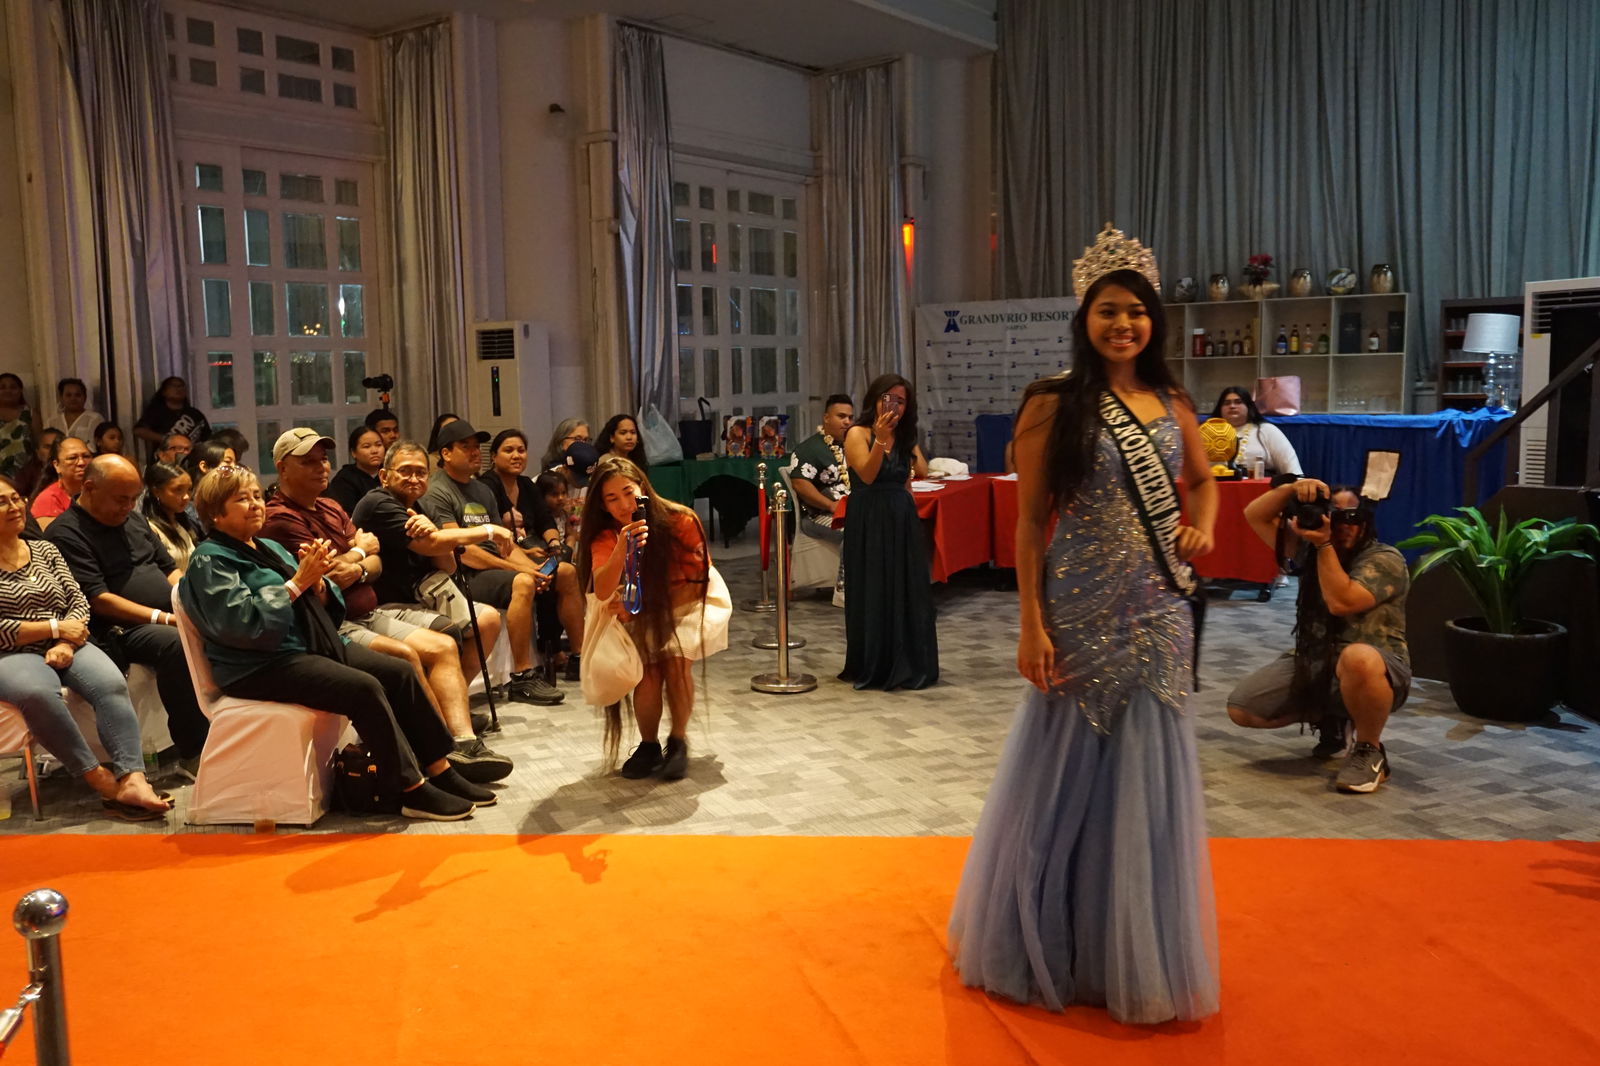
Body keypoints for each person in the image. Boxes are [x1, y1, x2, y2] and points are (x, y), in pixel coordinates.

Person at [948, 226, 1220, 1024]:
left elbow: (1202, 481)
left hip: (1159, 607)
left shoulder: (1173, 401)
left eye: (1136, 311)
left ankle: (1132, 950)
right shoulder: (1052, 402)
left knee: (1149, 777)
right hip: (1080, 604)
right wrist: (1029, 624)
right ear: (1085, 317)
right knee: (1064, 771)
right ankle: (1049, 937)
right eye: (1108, 311)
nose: (1123, 325)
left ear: (1153, 321)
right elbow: (1031, 523)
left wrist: (1200, 527)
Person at [179, 463, 491, 821]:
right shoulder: (209, 560)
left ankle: (440, 768)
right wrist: (298, 583)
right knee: (362, 687)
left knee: (399, 670)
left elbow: (320, 598)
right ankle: (408, 789)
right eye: (241, 499)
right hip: (257, 665)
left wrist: (318, 585)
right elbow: (243, 624)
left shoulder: (268, 546)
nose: (254, 504)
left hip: (306, 643)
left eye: (255, 496)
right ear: (215, 513)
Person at [262, 428, 512, 783]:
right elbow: (327, 576)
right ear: (282, 468)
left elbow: (375, 561)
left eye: (323, 459)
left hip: (369, 610)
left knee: (444, 644)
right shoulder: (281, 518)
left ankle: (462, 742)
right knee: (411, 655)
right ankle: (438, 748)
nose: (321, 467)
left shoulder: (331, 506)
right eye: (308, 462)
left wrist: (359, 563)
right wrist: (360, 552)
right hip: (334, 622)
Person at [0, 474, 172, 819]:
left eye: (16, 498)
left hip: (69, 640)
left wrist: (65, 639)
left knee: (110, 683)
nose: (14, 506)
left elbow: (78, 600)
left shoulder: (45, 550)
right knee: (38, 693)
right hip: (12, 652)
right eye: (2, 502)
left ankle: (133, 778)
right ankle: (100, 780)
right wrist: (53, 628)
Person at [1230, 479, 1410, 792]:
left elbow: (1342, 602)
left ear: (1366, 520)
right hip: (1318, 660)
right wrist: (1292, 489)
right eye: (1334, 516)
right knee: (1243, 708)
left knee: (1357, 658)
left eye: (1352, 517)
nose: (1344, 526)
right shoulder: (1310, 549)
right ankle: (1334, 719)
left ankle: (1369, 750)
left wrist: (1324, 546)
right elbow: (1254, 514)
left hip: (1378, 666)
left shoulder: (1384, 559)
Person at [44, 454, 210, 778]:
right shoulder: (66, 533)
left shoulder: (133, 519)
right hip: (117, 628)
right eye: (121, 499)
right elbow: (98, 599)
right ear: (89, 488)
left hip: (164, 611)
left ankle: (231, 730)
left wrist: (186, 600)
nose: (129, 506)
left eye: (134, 498)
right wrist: (163, 617)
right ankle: (194, 751)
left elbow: (168, 568)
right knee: (176, 643)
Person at [576, 456, 726, 779]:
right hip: (638, 610)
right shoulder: (604, 535)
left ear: (642, 487)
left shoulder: (680, 519)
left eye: (628, 493)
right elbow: (603, 589)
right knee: (648, 673)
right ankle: (648, 745)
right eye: (611, 499)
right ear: (601, 505)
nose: (623, 505)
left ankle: (678, 740)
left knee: (676, 662)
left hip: (687, 603)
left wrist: (642, 608)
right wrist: (622, 546)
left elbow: (697, 583)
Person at [419, 419, 564, 705]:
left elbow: (505, 545)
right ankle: (522, 677)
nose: (475, 452)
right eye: (466, 447)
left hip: (492, 567)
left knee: (563, 572)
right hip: (461, 574)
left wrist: (534, 569)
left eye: (477, 446)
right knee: (522, 582)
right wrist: (521, 571)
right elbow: (461, 551)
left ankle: (574, 656)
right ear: (446, 453)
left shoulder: (482, 490)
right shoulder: (437, 491)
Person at [837, 374, 937, 691]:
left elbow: (914, 477)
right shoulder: (858, 433)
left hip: (900, 516)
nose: (894, 406)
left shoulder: (904, 436)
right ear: (875, 400)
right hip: (869, 517)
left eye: (901, 401)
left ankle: (909, 661)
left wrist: (912, 523)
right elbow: (867, 475)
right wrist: (880, 438)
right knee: (874, 588)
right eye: (888, 398)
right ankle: (874, 664)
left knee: (907, 588)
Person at [480, 429, 586, 681]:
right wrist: (527, 550)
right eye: (508, 450)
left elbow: (545, 520)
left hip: (535, 552)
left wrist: (554, 543)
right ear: (493, 456)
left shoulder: (527, 485)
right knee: (554, 573)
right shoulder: (486, 486)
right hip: (506, 555)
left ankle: (579, 656)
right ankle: (547, 651)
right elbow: (491, 533)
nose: (516, 455)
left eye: (521, 450)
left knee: (565, 567)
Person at [789, 394, 854, 537]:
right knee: (856, 533)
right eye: (841, 416)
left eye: (850, 417)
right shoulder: (809, 449)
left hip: (853, 511)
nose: (847, 422)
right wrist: (831, 505)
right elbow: (800, 484)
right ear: (826, 418)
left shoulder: (854, 445)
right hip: (818, 515)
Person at [1209, 385, 1301, 476]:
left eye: (1238, 402)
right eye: (1226, 403)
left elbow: (1292, 470)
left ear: (1249, 407)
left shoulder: (1267, 430)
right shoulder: (1207, 433)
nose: (1232, 406)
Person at [141, 461, 201, 569]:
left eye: (189, 490)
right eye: (178, 490)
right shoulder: (150, 529)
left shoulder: (185, 522)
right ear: (156, 492)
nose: (186, 497)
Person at [133, 376, 210, 453]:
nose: (178, 389)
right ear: (164, 392)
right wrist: (167, 439)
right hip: (165, 457)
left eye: (181, 386)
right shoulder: (156, 412)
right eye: (173, 386)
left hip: (192, 457)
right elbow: (139, 430)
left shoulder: (195, 413)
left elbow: (207, 437)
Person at [29, 436, 91, 529]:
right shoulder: (48, 500)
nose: (81, 462)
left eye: (86, 456)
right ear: (57, 465)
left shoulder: (101, 490)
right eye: (72, 458)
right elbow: (57, 536)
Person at [325, 424, 384, 515]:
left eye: (378, 445)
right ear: (353, 453)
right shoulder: (344, 479)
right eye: (367, 446)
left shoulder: (390, 473)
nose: (375, 451)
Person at [0, 373, 35, 480]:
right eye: (2, 387)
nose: (8, 391)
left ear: (20, 390)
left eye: (13, 387)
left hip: (26, 475)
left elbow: (39, 445)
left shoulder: (31, 413)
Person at [14, 427, 63, 501]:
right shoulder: (29, 470)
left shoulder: (74, 470)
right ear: (37, 451)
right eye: (48, 447)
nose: (53, 451)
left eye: (56, 446)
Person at [53, 378, 103, 443]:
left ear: (85, 397)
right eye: (68, 395)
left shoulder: (95, 419)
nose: (73, 398)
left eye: (78, 395)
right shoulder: (52, 422)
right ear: (61, 398)